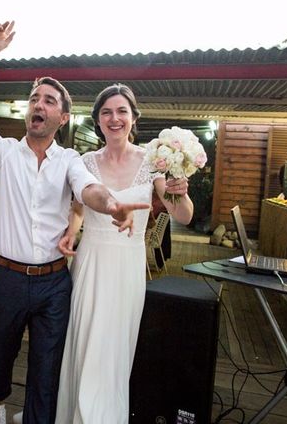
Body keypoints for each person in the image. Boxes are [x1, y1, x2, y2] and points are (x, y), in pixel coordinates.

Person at [0, 22, 150, 424]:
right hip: (7, 277)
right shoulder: (3, 152)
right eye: (34, 99)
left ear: (62, 117)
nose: (38, 106)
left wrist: (112, 203)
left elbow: (89, 190)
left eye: (48, 101)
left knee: (47, 367)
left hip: (54, 283)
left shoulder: (71, 161)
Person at [54, 84, 194, 423]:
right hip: (91, 261)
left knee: (115, 348)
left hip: (128, 267)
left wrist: (180, 192)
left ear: (133, 118)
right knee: (86, 341)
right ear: (98, 121)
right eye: (106, 112)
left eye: (121, 111)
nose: (114, 118)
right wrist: (72, 233)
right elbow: (78, 207)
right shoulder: (86, 161)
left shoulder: (152, 162)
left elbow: (183, 215)